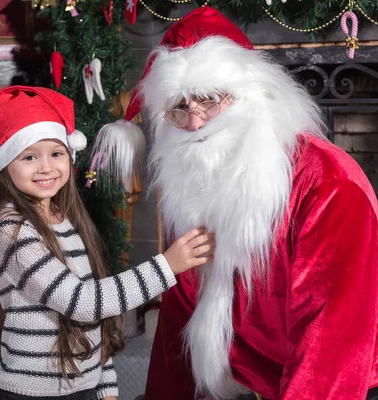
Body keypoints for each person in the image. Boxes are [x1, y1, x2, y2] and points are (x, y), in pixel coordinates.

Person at [92, 6, 378, 400]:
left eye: (210, 100)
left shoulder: (327, 182)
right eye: (179, 108)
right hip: (248, 377)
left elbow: (333, 334)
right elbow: (184, 301)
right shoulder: (192, 181)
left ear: (255, 93)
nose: (195, 123)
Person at [0, 85, 215, 400]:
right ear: (5, 165)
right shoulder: (11, 229)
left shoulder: (62, 217)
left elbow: (95, 315)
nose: (46, 167)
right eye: (29, 156)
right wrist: (167, 265)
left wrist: (105, 387)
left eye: (56, 153)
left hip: (83, 388)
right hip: (35, 392)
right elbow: (83, 302)